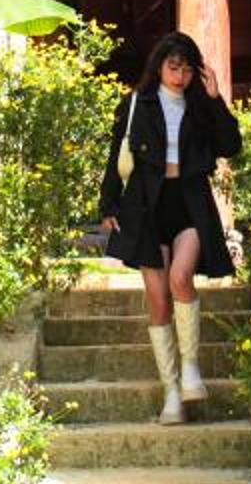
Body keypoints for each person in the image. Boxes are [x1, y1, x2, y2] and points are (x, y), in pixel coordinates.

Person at [95, 31, 241, 423]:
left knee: (180, 277)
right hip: (145, 206)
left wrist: (215, 99)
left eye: (187, 70)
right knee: (158, 299)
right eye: (173, 67)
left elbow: (231, 145)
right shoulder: (136, 104)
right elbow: (115, 156)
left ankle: (191, 370)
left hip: (189, 202)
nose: (180, 76)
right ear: (159, 66)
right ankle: (171, 392)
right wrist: (108, 204)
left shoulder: (201, 106)